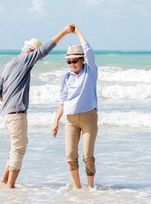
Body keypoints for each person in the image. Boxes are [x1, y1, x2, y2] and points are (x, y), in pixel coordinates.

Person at [0, 24, 75, 188]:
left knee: (15, 146)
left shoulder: (9, 64)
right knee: (19, 150)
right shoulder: (25, 60)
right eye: (36, 59)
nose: (37, 61)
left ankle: (4, 179)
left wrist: (8, 102)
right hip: (16, 114)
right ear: (30, 52)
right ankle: (10, 187)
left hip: (6, 115)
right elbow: (45, 49)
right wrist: (64, 32)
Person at [52, 25, 98, 189]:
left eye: (74, 61)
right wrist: (56, 121)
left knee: (87, 156)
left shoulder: (90, 71)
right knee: (70, 157)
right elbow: (62, 100)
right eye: (69, 62)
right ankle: (78, 189)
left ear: (82, 59)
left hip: (88, 118)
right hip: (70, 119)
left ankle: (91, 188)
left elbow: (89, 50)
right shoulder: (67, 77)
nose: (71, 64)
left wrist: (77, 32)